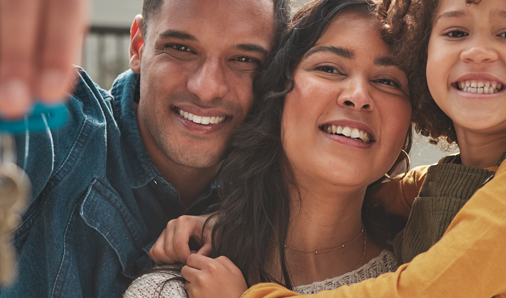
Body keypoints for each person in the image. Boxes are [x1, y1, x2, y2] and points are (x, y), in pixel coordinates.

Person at [0, 0, 506, 297]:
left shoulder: (434, 234)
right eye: (181, 49)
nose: (211, 87)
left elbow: (499, 207)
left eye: (244, 60)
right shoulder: (89, 152)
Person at [220, 0, 506, 296]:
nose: (478, 52)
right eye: (455, 31)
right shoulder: (448, 180)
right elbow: (362, 195)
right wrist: (218, 219)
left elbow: (424, 291)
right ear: (423, 55)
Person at [125, 2, 412, 296]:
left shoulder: (433, 258)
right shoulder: (174, 289)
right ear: (275, 94)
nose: (358, 96)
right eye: (329, 68)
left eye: (387, 81)